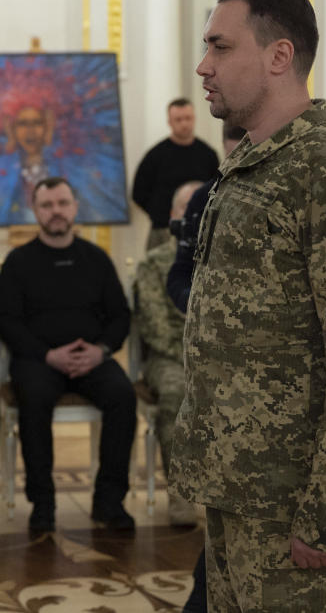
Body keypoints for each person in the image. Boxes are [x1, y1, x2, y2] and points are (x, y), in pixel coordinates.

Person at [169, 0, 326, 611]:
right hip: (234, 483)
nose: (203, 65)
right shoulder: (250, 167)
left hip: (288, 496)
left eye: (220, 46)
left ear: (278, 55)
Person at [0, 177, 137, 534]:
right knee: (35, 399)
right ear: (36, 211)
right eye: (47, 205)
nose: (55, 212)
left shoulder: (97, 259)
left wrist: (100, 350)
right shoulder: (17, 262)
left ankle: (109, 501)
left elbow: (120, 315)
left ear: (75, 207)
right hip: (39, 360)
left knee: (123, 396)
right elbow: (8, 322)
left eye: (62, 203)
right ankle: (43, 504)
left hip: (91, 357)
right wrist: (47, 355)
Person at [163, 123, 245, 613]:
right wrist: (204, 306)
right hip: (214, 381)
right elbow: (179, 275)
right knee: (221, 523)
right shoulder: (203, 200)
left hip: (274, 393)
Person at [133, 180, 200, 527]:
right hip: (169, 358)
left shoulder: (225, 258)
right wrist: (195, 357)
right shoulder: (154, 264)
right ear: (174, 215)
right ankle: (181, 493)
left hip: (218, 358)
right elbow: (155, 328)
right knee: (175, 391)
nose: (192, 215)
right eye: (184, 208)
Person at [166, 124, 246, 314]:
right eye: (233, 157)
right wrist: (195, 302)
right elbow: (181, 270)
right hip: (211, 324)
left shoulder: (283, 191)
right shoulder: (203, 198)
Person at [130, 98, 219, 248]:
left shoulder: (208, 154)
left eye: (188, 118)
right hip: (163, 230)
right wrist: (160, 213)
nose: (184, 124)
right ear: (169, 122)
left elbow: (217, 189)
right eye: (178, 119)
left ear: (194, 119)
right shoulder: (155, 155)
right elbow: (138, 193)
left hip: (200, 229)